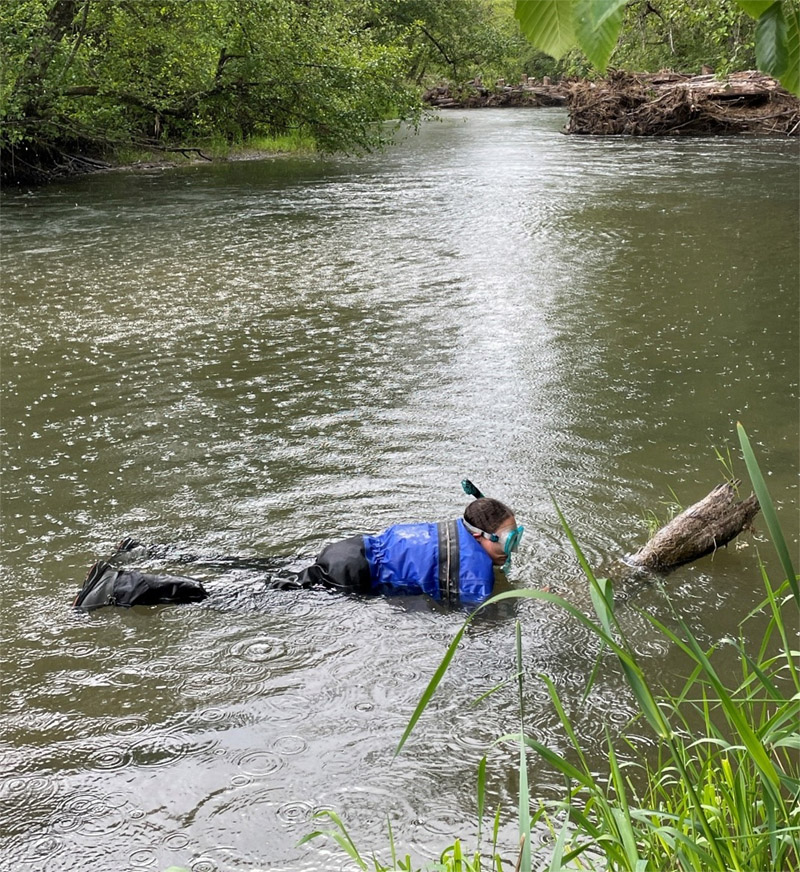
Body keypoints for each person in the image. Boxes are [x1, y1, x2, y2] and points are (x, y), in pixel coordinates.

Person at [72, 481, 523, 611]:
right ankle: (120, 586)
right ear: (482, 536)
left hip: (348, 548)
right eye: (511, 537)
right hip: (352, 576)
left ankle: (145, 547)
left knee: (255, 565)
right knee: (232, 596)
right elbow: (482, 614)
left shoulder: (453, 528)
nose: (514, 545)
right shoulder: (475, 572)